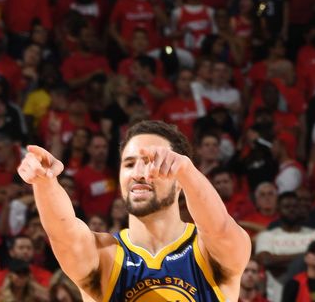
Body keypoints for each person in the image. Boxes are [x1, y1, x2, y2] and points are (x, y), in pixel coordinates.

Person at [17, 120, 251, 300]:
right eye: (129, 163)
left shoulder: (212, 251)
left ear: (180, 177)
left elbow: (218, 227)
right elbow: (63, 232)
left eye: (152, 161)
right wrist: (44, 182)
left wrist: (188, 173)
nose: (138, 173)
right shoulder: (104, 256)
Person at [255, 190, 315, 302]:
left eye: (295, 206)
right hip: (277, 297)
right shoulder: (267, 236)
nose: (291, 209)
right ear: (278, 210)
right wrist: (305, 259)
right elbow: (266, 260)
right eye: (286, 206)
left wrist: (279, 262)